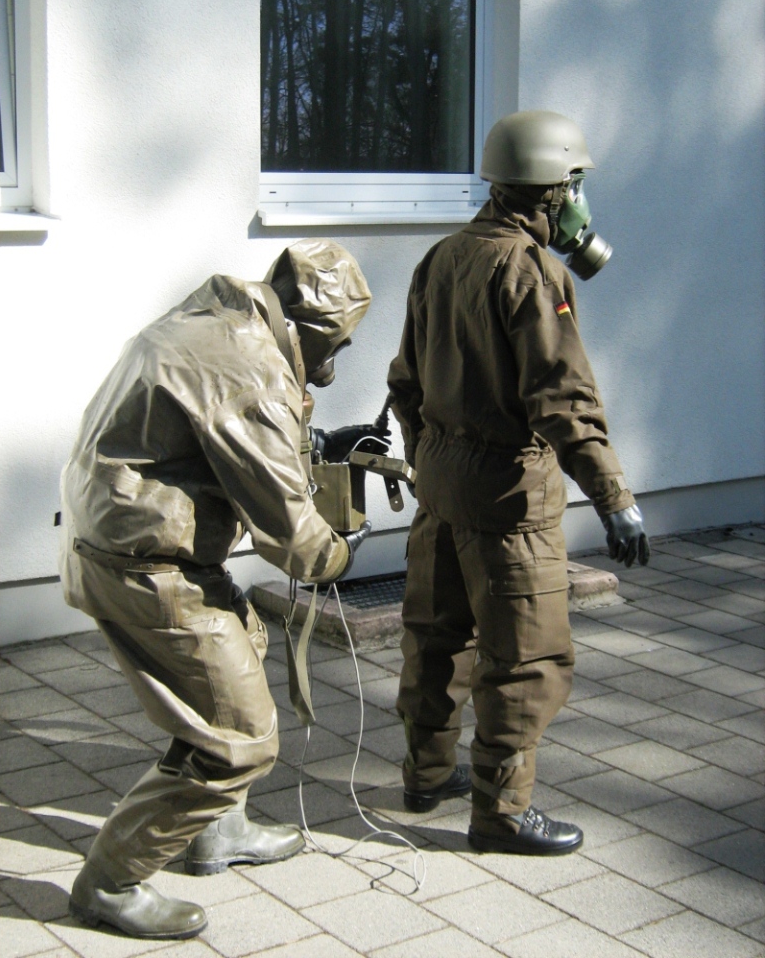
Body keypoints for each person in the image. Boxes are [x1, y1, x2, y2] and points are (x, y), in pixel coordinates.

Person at [58, 239, 379, 939]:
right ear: (309, 327)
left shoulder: (215, 322)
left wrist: (315, 442)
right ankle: (109, 882)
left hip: (119, 542)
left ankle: (217, 832)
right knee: (239, 737)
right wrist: (338, 553)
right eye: (337, 344)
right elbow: (290, 537)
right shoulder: (252, 369)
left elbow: (210, 435)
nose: (334, 364)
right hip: (145, 566)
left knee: (244, 647)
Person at [387, 110, 650, 857]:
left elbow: (405, 382)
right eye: (577, 186)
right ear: (553, 189)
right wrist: (614, 498)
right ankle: (501, 813)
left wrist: (434, 459)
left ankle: (425, 775)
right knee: (524, 659)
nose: (582, 203)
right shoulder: (533, 272)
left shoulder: (441, 258)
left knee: (435, 639)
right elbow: (563, 401)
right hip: (509, 500)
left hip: (441, 489)